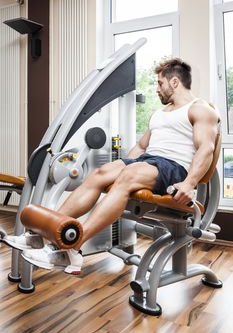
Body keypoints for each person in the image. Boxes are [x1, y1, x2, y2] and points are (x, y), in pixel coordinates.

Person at [4, 58, 219, 274]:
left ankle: (72, 249)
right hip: (148, 162)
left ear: (174, 82)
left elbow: (206, 148)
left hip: (174, 168)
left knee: (129, 173)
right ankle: (45, 234)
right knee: (100, 172)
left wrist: (189, 183)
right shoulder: (160, 114)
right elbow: (142, 146)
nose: (157, 89)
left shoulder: (200, 108)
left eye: (160, 83)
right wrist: (122, 167)